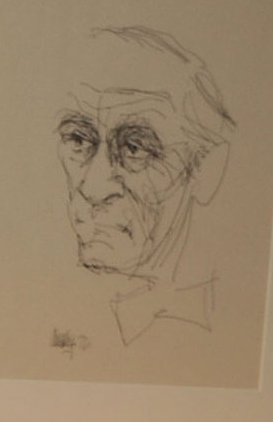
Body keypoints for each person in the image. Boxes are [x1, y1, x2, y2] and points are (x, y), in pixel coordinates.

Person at [56, 24, 234, 343]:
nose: (93, 188)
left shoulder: (216, 329)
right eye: (78, 139)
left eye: (135, 149)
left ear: (206, 170)